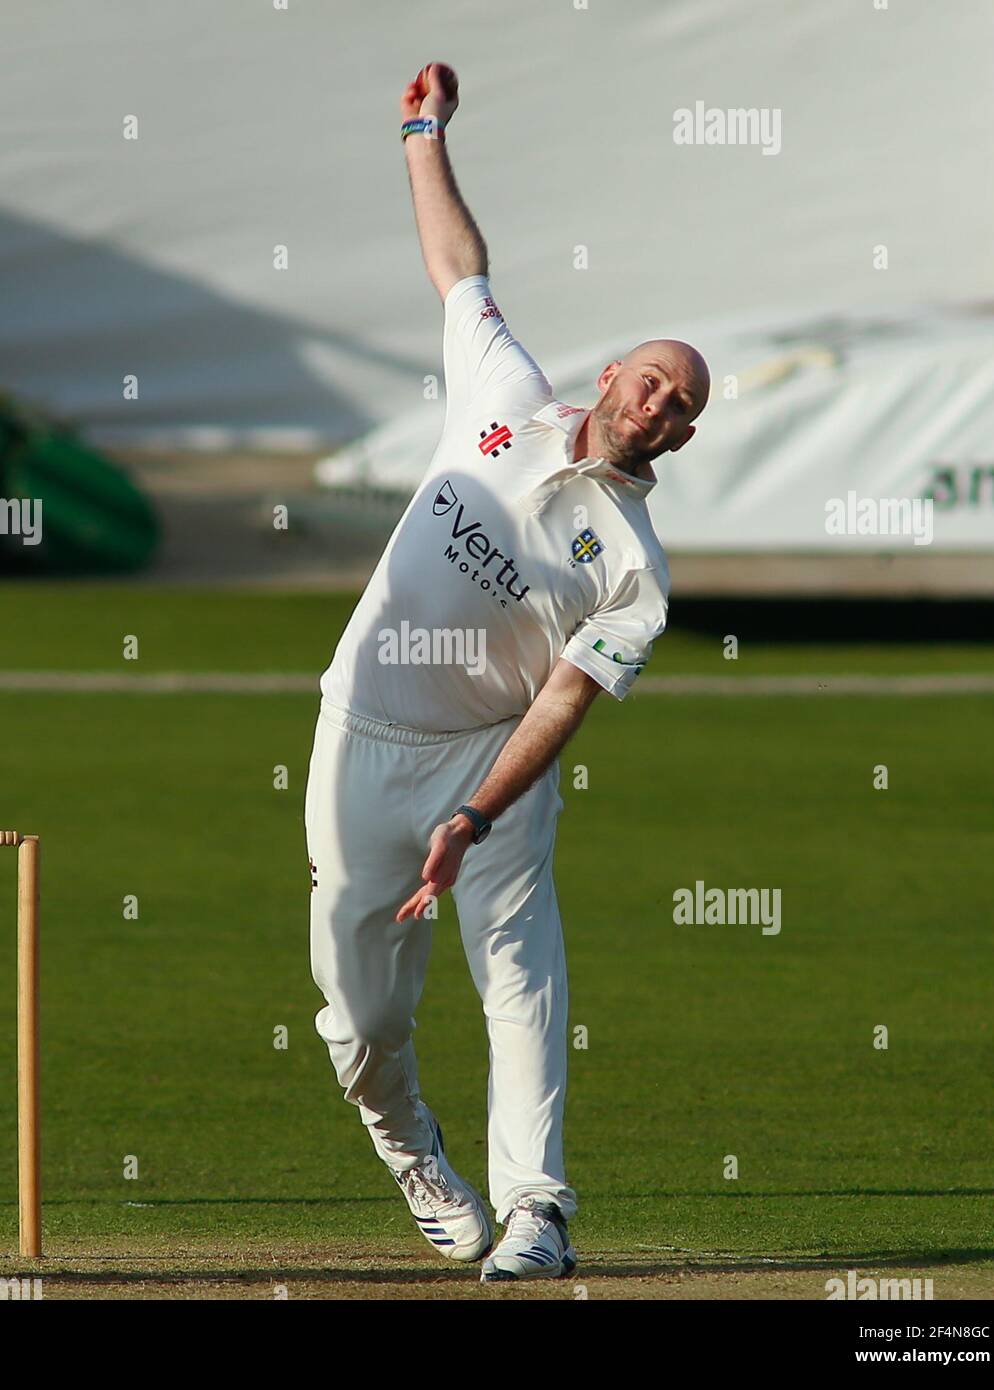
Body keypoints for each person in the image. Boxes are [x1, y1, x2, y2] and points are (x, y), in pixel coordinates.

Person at [304, 61, 710, 1283]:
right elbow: (458, 268)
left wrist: (476, 814)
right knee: (361, 1017)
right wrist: (422, 131)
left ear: (682, 435)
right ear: (609, 380)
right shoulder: (502, 393)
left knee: (521, 976)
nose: (655, 401)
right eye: (648, 377)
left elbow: (564, 697)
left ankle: (539, 1209)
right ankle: (410, 1145)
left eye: (679, 402)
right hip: (365, 730)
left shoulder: (633, 570)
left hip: (495, 765)